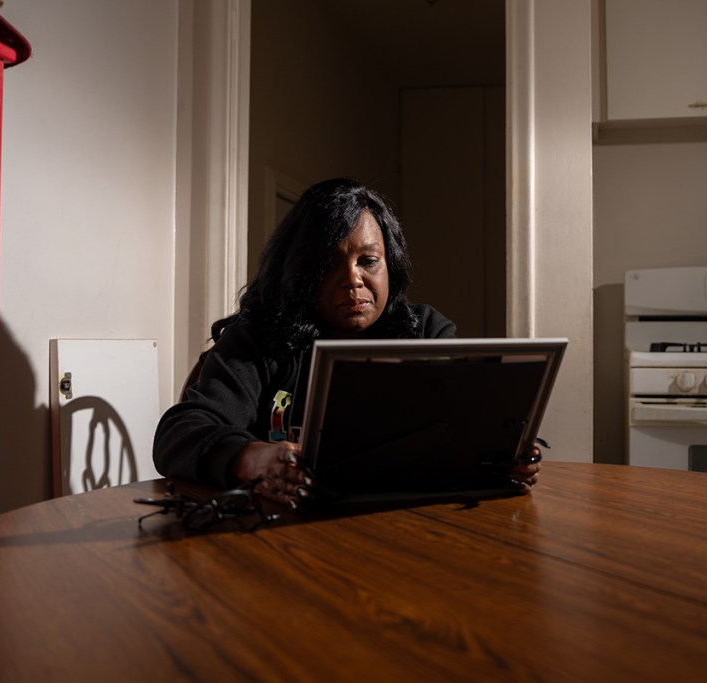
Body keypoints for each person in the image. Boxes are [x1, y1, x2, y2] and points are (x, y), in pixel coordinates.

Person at [153, 178, 541, 509]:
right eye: (329, 264)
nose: (352, 279)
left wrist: (505, 453)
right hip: (284, 535)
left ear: (391, 264)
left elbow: (469, 425)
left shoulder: (425, 331)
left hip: (405, 527)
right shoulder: (259, 338)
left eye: (368, 260)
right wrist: (249, 459)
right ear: (303, 271)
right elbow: (179, 432)